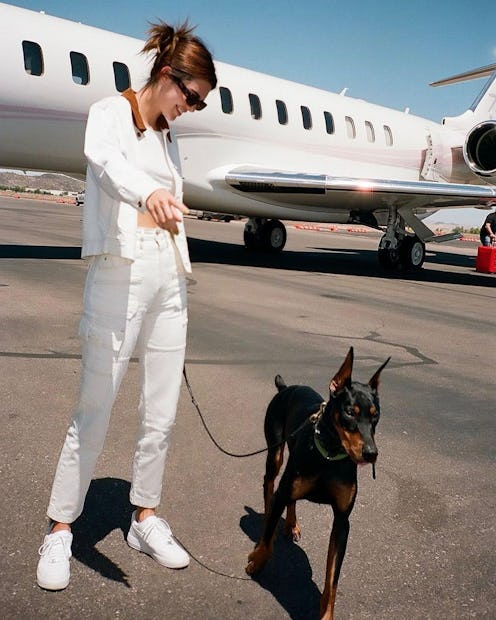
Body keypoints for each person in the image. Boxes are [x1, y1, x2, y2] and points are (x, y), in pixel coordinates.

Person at [36, 21, 217, 591]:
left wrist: (179, 258)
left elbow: (172, 204)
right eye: (192, 96)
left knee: (160, 412)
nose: (192, 108)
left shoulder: (169, 137)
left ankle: (144, 517)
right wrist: (150, 192)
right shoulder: (109, 113)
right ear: (168, 76)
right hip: (121, 271)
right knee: (94, 407)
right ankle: (61, 529)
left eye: (200, 103)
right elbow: (104, 162)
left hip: (168, 277)